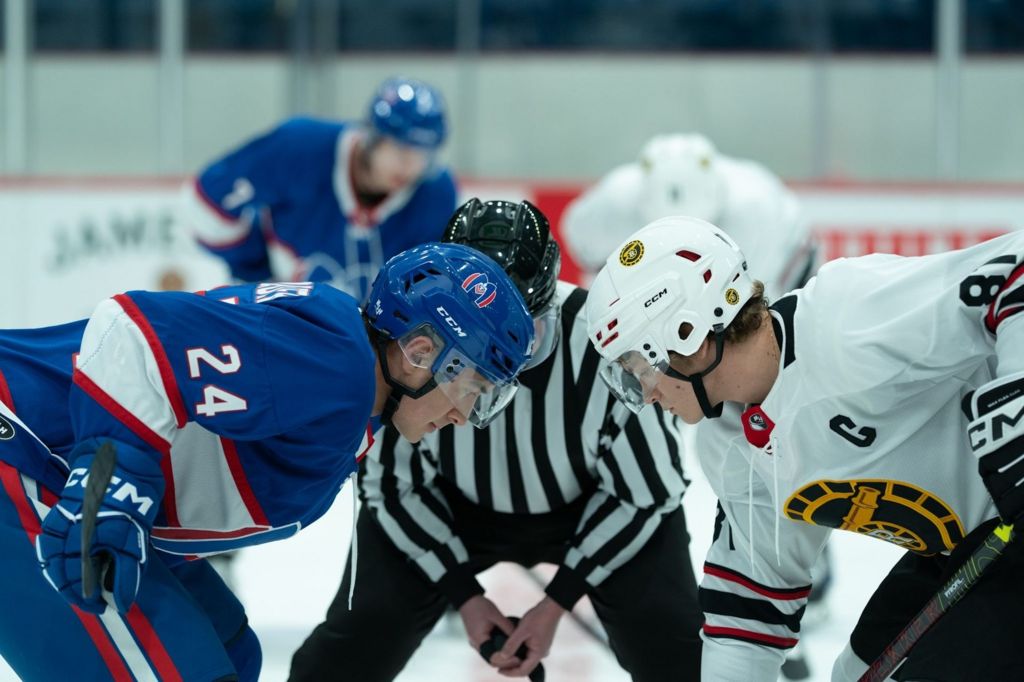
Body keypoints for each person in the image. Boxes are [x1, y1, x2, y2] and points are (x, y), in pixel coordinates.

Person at [0, 242, 534, 681]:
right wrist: (111, 482)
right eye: (471, 387)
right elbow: (134, 334)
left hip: (44, 464)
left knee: (231, 652)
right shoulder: (336, 364)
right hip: (25, 454)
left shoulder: (354, 396)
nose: (466, 415)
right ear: (419, 352)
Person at [584, 216, 1024, 681]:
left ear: (685, 334)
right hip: (971, 545)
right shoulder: (731, 447)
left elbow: (1013, 272)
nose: (646, 393)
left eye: (638, 366)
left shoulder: (846, 317)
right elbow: (750, 615)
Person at [290, 199, 701, 682]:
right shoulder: (411, 349)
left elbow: (648, 489)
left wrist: (557, 601)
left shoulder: (601, 336)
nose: (505, 365)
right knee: (350, 647)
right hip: (451, 505)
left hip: (591, 507)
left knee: (675, 649)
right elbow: (393, 485)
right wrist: (464, 594)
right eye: (480, 347)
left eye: (526, 336)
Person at [181, 76, 457, 301]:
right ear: (372, 136)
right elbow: (207, 204)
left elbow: (429, 290)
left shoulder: (435, 194)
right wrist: (255, 271)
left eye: (423, 154)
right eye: (400, 148)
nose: (411, 166)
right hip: (278, 321)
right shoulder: (300, 147)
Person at [561, 132, 816, 299]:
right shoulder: (613, 204)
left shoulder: (758, 211)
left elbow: (755, 305)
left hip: (793, 259)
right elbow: (584, 252)